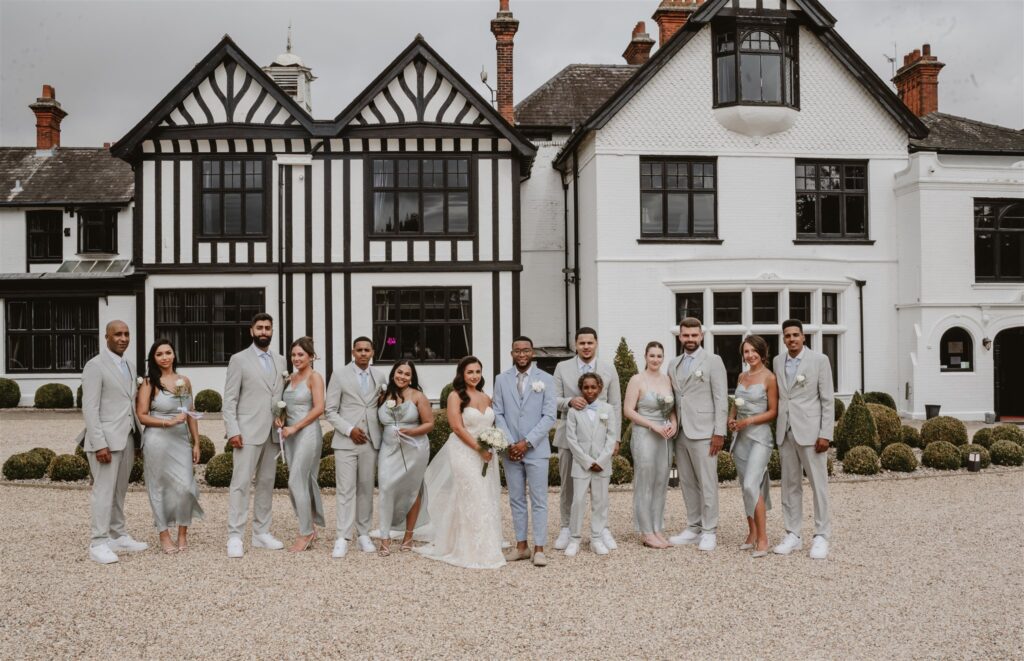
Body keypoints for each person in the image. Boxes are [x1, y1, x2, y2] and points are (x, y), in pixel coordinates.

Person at [416, 356, 505, 569]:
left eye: (477, 372)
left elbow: (491, 425)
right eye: (470, 372)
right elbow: (457, 427)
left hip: (486, 453)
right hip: (464, 451)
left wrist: (493, 444)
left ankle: (482, 543)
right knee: (471, 493)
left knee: (484, 495)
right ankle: (469, 548)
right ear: (462, 375)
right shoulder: (456, 396)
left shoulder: (486, 396)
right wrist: (478, 448)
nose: (474, 376)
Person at [81, 320, 149, 563]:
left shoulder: (130, 366)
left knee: (119, 491)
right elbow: (90, 408)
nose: (123, 338)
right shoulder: (95, 366)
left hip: (128, 438)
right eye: (117, 334)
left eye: (126, 334)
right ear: (106, 337)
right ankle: (98, 542)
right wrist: (99, 443)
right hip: (106, 442)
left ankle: (117, 534)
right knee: (103, 492)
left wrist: (139, 438)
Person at [223, 313, 288, 558]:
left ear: (272, 331)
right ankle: (235, 536)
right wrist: (233, 431)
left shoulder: (281, 361)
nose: (264, 332)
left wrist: (284, 419)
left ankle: (261, 533)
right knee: (240, 484)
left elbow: (281, 397)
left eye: (268, 328)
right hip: (247, 432)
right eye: (259, 327)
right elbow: (229, 399)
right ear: (251, 331)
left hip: (273, 432)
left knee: (265, 484)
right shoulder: (239, 360)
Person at [552, 327, 621, 552]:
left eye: (590, 343)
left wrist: (616, 438)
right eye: (582, 343)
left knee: (600, 488)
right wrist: (570, 401)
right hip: (569, 435)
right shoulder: (562, 368)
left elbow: (615, 404)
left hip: (601, 439)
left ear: (596, 343)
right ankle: (566, 527)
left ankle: (601, 529)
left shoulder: (608, 369)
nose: (586, 347)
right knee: (568, 484)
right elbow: (553, 399)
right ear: (575, 344)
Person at [772, 319, 834, 560]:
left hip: (811, 433)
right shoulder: (778, 361)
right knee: (789, 486)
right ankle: (793, 534)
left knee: (819, 485)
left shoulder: (819, 361)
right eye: (787, 336)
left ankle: (821, 535)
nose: (792, 339)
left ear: (804, 337)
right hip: (785, 431)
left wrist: (825, 434)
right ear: (783, 338)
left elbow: (827, 399)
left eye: (796, 335)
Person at [493, 336, 557, 567]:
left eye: (526, 350)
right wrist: (511, 443)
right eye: (517, 351)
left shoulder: (546, 380)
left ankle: (539, 548)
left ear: (533, 353)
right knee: (516, 499)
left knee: (539, 500)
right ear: (512, 353)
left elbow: (550, 416)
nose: (521, 354)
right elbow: (497, 412)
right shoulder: (501, 379)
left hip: (536, 450)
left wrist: (526, 443)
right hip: (510, 451)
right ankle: (521, 546)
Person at [136, 339, 204, 554]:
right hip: (157, 439)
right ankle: (164, 534)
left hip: (180, 441)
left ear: (174, 355)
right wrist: (167, 422)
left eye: (168, 352)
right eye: (159, 354)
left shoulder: (184, 381)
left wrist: (196, 442)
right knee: (158, 487)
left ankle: (182, 534)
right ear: (154, 358)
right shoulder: (149, 383)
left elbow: (190, 413)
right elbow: (142, 415)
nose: (165, 357)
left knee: (185, 487)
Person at [667, 317, 728, 552]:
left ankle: (710, 530)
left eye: (694, 335)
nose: (690, 339)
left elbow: (721, 397)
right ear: (680, 336)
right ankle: (694, 527)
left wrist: (719, 432)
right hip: (680, 431)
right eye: (686, 335)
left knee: (707, 482)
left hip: (705, 431)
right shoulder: (673, 364)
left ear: (701, 336)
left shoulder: (713, 361)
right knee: (687, 482)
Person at [324, 336, 384, 558]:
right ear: (352, 352)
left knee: (366, 489)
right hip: (346, 441)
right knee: (345, 489)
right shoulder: (339, 375)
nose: (363, 353)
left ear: (372, 352)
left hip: (371, 441)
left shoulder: (379, 376)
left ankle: (363, 534)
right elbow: (330, 410)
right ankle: (342, 536)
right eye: (359, 350)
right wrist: (350, 430)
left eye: (367, 350)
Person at [376, 360, 433, 556]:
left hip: (414, 449)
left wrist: (412, 431)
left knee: (412, 490)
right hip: (388, 449)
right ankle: (385, 538)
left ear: (412, 378)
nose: (402, 376)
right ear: (393, 374)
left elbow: (429, 424)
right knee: (385, 487)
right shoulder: (383, 396)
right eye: (399, 372)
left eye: (407, 374)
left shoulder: (418, 396)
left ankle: (408, 536)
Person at [727, 335, 778, 558]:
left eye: (753, 351)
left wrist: (748, 421)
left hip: (759, 437)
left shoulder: (770, 378)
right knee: (744, 485)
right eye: (746, 352)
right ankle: (751, 533)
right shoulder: (741, 376)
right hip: (741, 438)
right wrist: (731, 418)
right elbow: (735, 404)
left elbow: (773, 412)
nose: (750, 355)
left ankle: (764, 538)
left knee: (751, 485)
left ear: (762, 352)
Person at [622, 341, 676, 549]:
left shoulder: (667, 379)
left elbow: (671, 409)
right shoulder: (637, 380)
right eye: (652, 355)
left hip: (664, 436)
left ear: (663, 358)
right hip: (645, 433)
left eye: (659, 356)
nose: (655, 359)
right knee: (645, 481)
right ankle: (645, 531)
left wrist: (674, 423)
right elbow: (629, 410)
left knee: (661, 480)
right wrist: (653, 426)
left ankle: (656, 526)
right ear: (645, 357)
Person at [277, 337, 326, 553]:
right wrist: (280, 418)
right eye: (294, 355)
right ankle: (310, 527)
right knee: (300, 483)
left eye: (301, 355)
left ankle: (305, 532)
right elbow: (286, 405)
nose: (296, 359)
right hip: (290, 435)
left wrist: (295, 427)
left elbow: (318, 409)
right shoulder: (290, 378)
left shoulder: (315, 377)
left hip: (306, 434)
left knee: (296, 480)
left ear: (311, 356)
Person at [564, 373, 617, 557]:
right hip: (581, 464)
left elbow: (611, 437)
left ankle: (596, 538)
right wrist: (587, 461)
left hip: (602, 465)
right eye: (586, 387)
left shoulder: (608, 409)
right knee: (578, 501)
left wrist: (601, 460)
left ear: (600, 388)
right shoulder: (573, 411)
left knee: (600, 502)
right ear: (581, 389)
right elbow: (571, 439)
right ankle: (574, 539)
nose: (590, 390)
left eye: (593, 387)